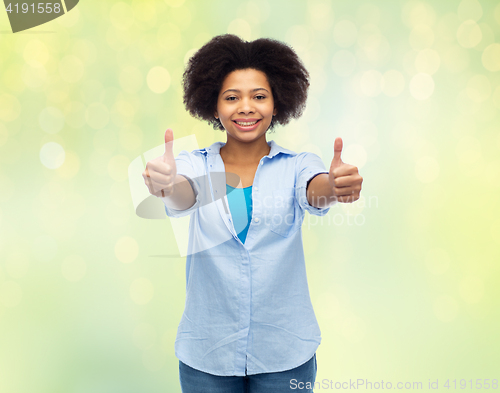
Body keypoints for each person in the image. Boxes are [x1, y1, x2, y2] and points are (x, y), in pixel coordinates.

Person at [142, 34, 363, 393]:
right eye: (232, 97)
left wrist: (334, 188)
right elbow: (184, 195)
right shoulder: (193, 165)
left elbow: (315, 190)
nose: (246, 107)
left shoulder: (297, 166)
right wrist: (165, 185)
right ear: (213, 107)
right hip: (207, 356)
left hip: (285, 353)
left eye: (259, 96)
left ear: (277, 105)